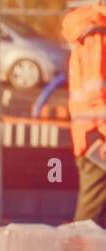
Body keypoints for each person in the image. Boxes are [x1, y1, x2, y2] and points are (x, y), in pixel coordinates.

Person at [64, 2, 106, 225]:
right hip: (97, 138)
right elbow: (95, 95)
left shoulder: (92, 31)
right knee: (89, 221)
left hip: (92, 135)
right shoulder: (96, 34)